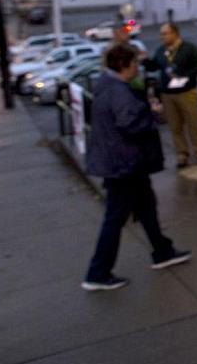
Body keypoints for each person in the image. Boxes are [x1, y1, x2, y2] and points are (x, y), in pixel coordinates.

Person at [82, 43, 191, 291]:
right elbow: (131, 124)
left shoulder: (107, 86)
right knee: (115, 217)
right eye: (135, 64)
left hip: (123, 162)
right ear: (124, 65)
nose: (137, 69)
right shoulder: (119, 92)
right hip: (124, 164)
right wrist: (152, 113)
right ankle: (97, 273)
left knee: (146, 206)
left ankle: (163, 251)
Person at [144, 22, 197, 167]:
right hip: (168, 93)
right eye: (161, 34)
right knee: (175, 126)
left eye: (165, 33)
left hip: (186, 91)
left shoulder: (188, 48)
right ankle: (182, 153)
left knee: (193, 123)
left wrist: (185, 77)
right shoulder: (161, 50)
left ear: (175, 33)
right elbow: (154, 66)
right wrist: (145, 61)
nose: (162, 37)